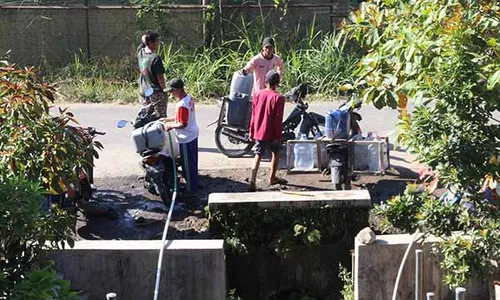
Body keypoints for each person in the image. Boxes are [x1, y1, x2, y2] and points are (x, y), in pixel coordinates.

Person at [248, 70, 287, 192]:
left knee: (258, 154)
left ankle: (252, 180)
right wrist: (277, 135)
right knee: (276, 153)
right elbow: (278, 119)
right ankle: (272, 178)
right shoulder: (278, 98)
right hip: (271, 132)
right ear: (277, 83)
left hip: (259, 131)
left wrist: (251, 130)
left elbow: (253, 115)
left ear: (266, 81)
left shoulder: (258, 94)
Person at [161, 78, 199, 195]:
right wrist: (167, 119)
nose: (171, 94)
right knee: (193, 162)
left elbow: (182, 123)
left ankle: (191, 190)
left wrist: (170, 126)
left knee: (187, 166)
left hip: (186, 138)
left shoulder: (182, 104)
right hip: (193, 134)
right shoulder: (188, 99)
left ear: (177, 90)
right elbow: (182, 117)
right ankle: (194, 184)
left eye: (172, 91)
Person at [137, 30, 168, 118]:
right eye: (157, 41)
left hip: (143, 90)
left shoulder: (141, 52)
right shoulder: (155, 58)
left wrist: (147, 37)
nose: (159, 43)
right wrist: (165, 90)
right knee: (160, 117)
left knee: (145, 116)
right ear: (151, 42)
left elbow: (143, 38)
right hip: (156, 93)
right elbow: (160, 78)